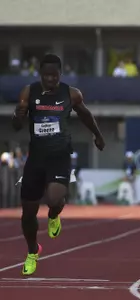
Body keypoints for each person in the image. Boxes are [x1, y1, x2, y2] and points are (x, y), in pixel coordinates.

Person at [12, 54, 105, 275]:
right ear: (40, 75)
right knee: (28, 213)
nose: (51, 79)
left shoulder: (71, 94)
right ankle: (33, 251)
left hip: (60, 155)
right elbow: (16, 125)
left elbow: (85, 115)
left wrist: (98, 135)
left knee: (54, 198)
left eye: (54, 75)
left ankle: (54, 214)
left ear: (60, 75)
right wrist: (19, 115)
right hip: (36, 158)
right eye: (46, 76)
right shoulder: (29, 92)